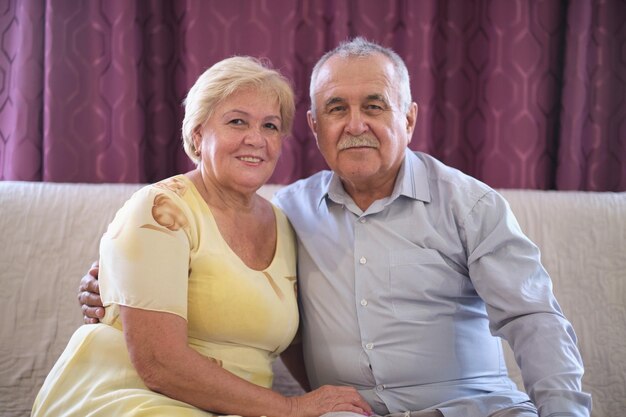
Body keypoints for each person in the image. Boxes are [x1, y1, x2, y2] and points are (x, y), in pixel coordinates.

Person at [79, 39, 592, 417]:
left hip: (474, 408)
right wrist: (118, 289)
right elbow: (208, 285)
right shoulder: (291, 211)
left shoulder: (469, 204)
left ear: (408, 119)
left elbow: (533, 319)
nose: (355, 124)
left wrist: (565, 412)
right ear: (314, 126)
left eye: (374, 105)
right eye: (336, 109)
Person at [33, 56, 372, 417]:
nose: (256, 139)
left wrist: (339, 402)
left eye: (270, 126)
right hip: (129, 398)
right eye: (237, 121)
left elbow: (294, 340)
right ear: (198, 133)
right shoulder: (161, 209)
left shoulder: (285, 224)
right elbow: (159, 365)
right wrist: (290, 407)